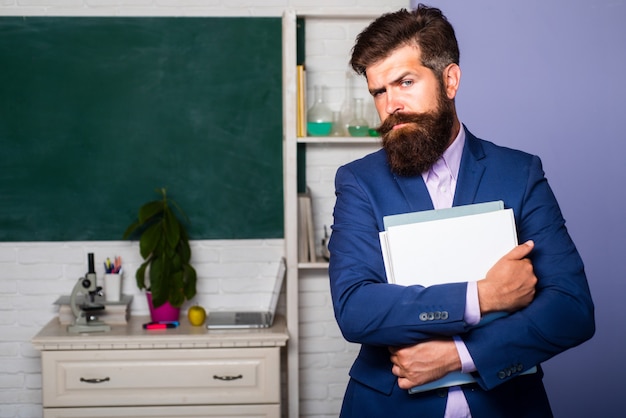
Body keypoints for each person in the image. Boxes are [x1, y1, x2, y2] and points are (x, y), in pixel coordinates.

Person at [328, 5, 595, 417]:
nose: (390, 105)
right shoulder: (359, 182)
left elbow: (572, 308)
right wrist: (481, 296)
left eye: (405, 82)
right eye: (379, 91)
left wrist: (461, 355)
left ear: (449, 80)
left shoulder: (520, 173)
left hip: (507, 405)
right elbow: (355, 309)